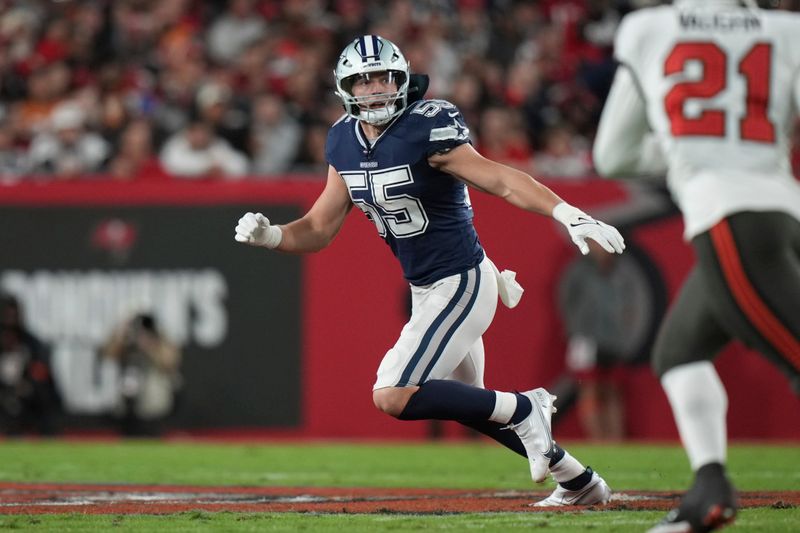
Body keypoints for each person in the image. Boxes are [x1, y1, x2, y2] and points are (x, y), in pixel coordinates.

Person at [235, 35, 625, 506]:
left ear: (401, 80)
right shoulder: (341, 138)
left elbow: (499, 178)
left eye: (382, 77)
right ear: (345, 87)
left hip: (461, 281)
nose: (375, 89)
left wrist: (565, 212)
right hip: (429, 288)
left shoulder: (427, 126)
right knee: (476, 408)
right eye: (363, 80)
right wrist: (272, 235)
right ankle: (580, 482)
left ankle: (529, 405)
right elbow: (319, 226)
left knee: (392, 392)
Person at [593, 1, 800, 531]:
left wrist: (688, 143)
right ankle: (710, 486)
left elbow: (613, 154)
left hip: (728, 216)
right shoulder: (786, 30)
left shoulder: (649, 28)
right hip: (782, 210)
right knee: (678, 352)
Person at [102, 313, 182, 436]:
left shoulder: (160, 342)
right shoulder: (127, 343)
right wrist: (120, 333)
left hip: (154, 408)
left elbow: (169, 363)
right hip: (128, 409)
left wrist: (151, 345)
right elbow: (108, 355)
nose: (141, 334)